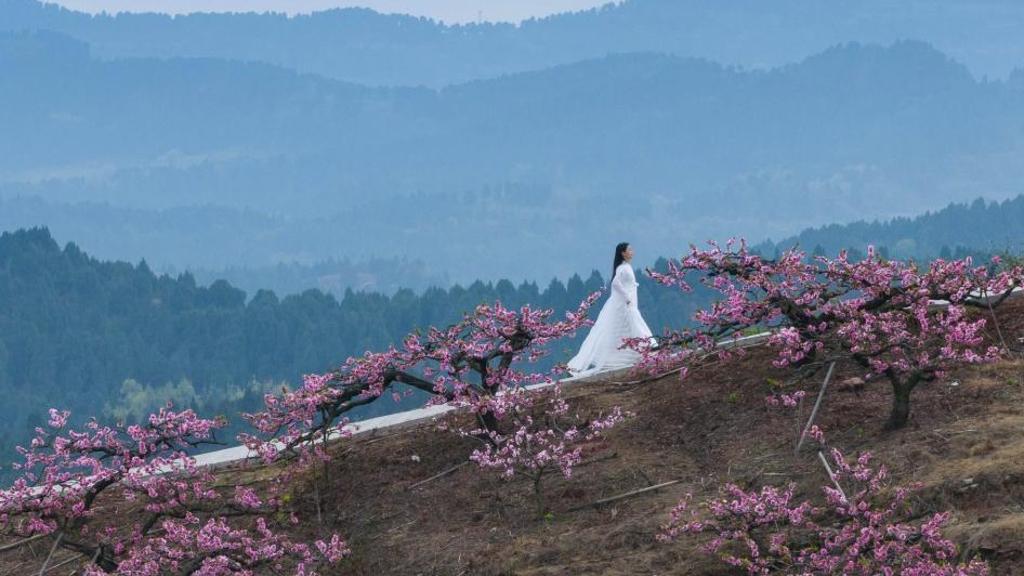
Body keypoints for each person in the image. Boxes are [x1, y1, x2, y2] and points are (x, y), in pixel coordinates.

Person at [567, 242, 656, 376]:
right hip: (627, 305)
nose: (632, 252)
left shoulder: (626, 267)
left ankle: (639, 352)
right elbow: (615, 283)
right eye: (629, 250)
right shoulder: (623, 268)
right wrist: (627, 297)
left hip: (628, 304)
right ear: (623, 253)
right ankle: (650, 347)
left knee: (626, 329)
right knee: (636, 325)